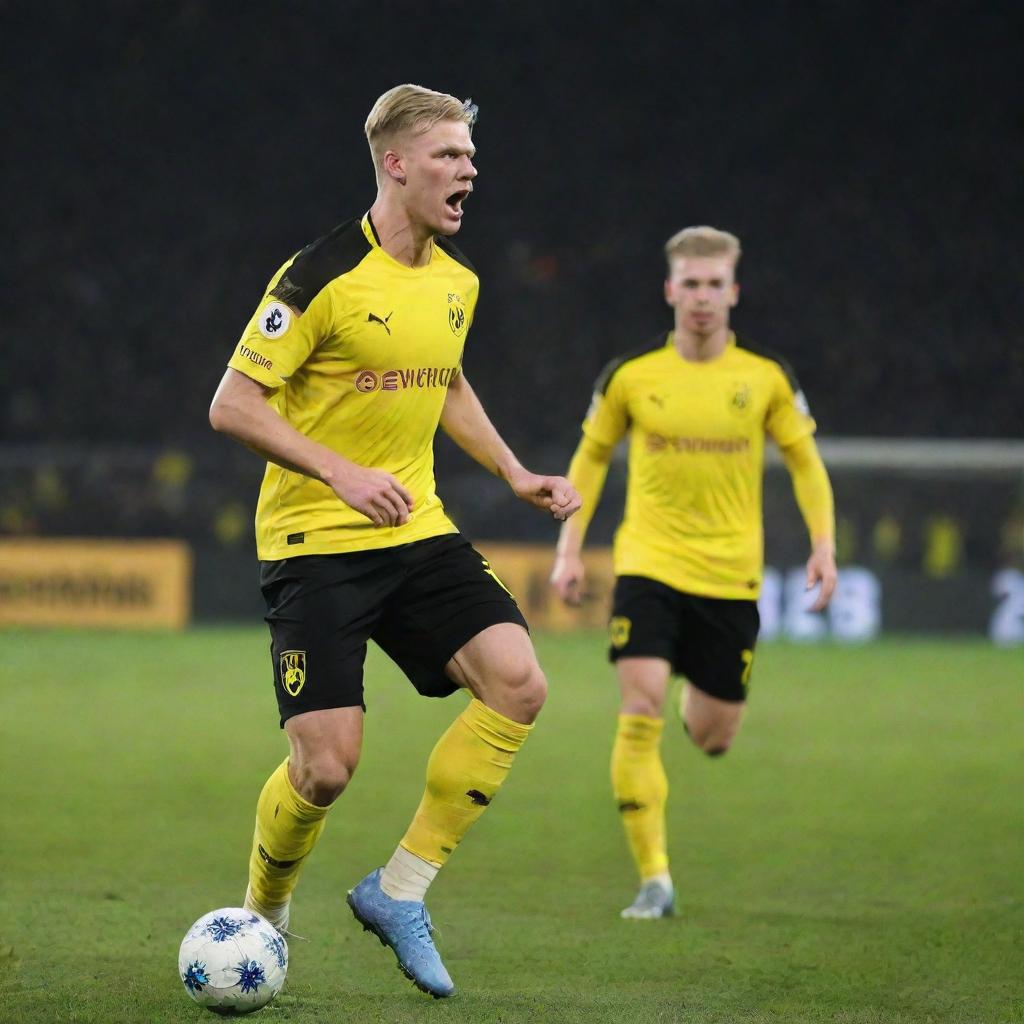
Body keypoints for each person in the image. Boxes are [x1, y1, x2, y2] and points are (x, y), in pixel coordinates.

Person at [209, 84, 581, 998]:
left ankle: (399, 888)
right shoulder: (318, 276)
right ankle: (265, 911)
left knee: (519, 682)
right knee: (326, 769)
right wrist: (337, 471)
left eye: (471, 157)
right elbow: (232, 405)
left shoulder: (459, 280)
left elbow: (446, 384)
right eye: (451, 155)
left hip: (414, 529)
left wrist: (512, 472)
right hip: (313, 540)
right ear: (397, 163)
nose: (469, 171)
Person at [550, 226, 837, 920]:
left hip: (731, 576)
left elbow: (805, 463)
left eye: (715, 285)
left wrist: (823, 545)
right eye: (692, 284)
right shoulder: (631, 376)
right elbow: (590, 457)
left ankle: (693, 695)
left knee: (712, 736)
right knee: (639, 703)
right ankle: (655, 879)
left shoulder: (766, 378)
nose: (703, 297)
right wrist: (569, 545)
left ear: (732, 293)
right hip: (648, 562)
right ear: (670, 290)